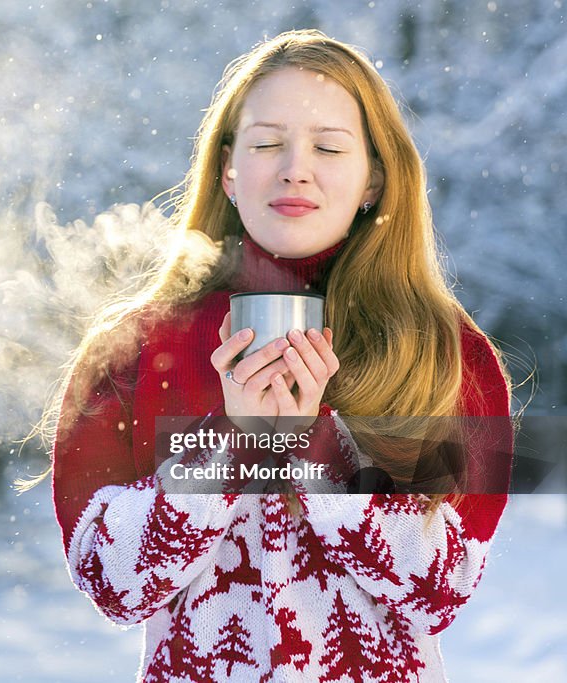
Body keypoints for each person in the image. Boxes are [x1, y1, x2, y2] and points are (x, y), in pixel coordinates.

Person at [42, 30, 514, 682]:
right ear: (229, 170)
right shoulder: (137, 350)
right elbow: (110, 582)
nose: (296, 166)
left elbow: (441, 586)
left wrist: (323, 451)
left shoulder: (439, 351)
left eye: (328, 146)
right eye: (267, 143)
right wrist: (230, 444)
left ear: (374, 177)